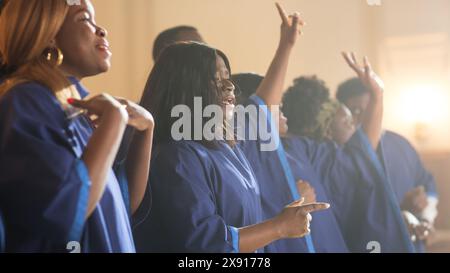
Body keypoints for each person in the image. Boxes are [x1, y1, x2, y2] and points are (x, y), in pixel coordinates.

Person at [133, 3, 329, 253]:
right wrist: (278, 227)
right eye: (216, 79)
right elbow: (203, 244)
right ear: (186, 88)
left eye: (228, 77)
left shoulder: (228, 148)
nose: (229, 87)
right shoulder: (176, 156)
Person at [0, 0, 153, 253]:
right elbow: (67, 212)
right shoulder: (26, 102)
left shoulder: (75, 111)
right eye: (84, 19)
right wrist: (114, 122)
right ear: (48, 35)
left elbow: (122, 207)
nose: (101, 29)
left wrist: (146, 129)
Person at [282, 54, 417, 253]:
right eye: (347, 120)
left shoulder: (307, 152)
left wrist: (378, 93)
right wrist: (377, 93)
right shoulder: (326, 157)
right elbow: (365, 145)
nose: (354, 125)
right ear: (327, 130)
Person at [232, 73, 348, 253]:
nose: (281, 108)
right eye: (275, 105)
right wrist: (289, 200)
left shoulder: (296, 146)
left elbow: (348, 157)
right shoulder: (242, 161)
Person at [336, 77, 439, 252]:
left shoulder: (401, 145)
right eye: (355, 110)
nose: (364, 118)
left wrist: (424, 217)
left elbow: (427, 185)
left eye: (370, 109)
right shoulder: (338, 154)